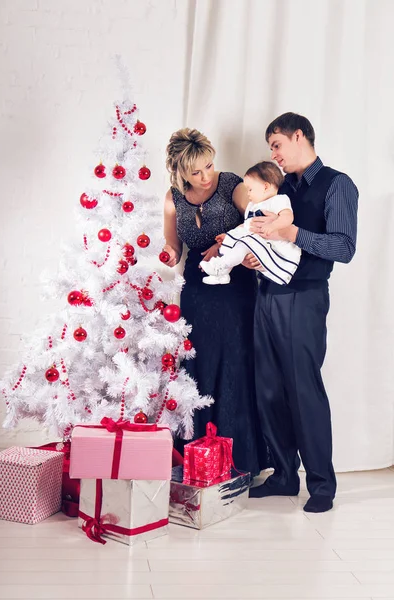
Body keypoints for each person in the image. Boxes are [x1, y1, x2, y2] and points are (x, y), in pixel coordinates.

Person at [248, 112, 358, 512]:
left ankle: (322, 486)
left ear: (300, 136)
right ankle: (282, 475)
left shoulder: (337, 184)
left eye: (276, 144)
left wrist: (292, 233)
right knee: (269, 389)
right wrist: (252, 258)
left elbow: (344, 248)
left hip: (305, 298)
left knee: (303, 390)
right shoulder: (279, 188)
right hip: (266, 295)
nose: (273, 154)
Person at [163, 127, 267, 477]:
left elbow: (257, 221)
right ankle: (196, 459)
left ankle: (240, 461)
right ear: (181, 173)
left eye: (209, 165)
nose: (207, 176)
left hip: (234, 287)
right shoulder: (173, 198)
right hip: (197, 289)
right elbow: (174, 248)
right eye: (197, 171)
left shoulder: (232, 184)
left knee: (235, 362)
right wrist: (162, 256)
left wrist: (228, 247)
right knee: (198, 365)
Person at [200, 161, 301, 285]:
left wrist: (273, 225)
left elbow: (287, 217)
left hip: (275, 245)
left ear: (265, 187)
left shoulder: (279, 200)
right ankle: (223, 273)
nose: (247, 194)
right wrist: (230, 235)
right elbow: (247, 226)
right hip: (256, 240)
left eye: (250, 189)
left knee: (242, 245)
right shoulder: (253, 206)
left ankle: (221, 266)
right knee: (235, 243)